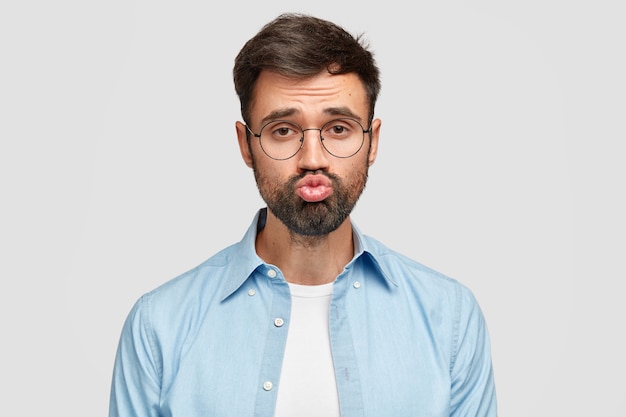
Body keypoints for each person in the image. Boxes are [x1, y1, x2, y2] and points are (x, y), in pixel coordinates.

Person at [109, 13, 497, 417]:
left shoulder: (449, 317)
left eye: (338, 129)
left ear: (372, 141)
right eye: (283, 131)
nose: (313, 159)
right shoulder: (160, 326)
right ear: (246, 145)